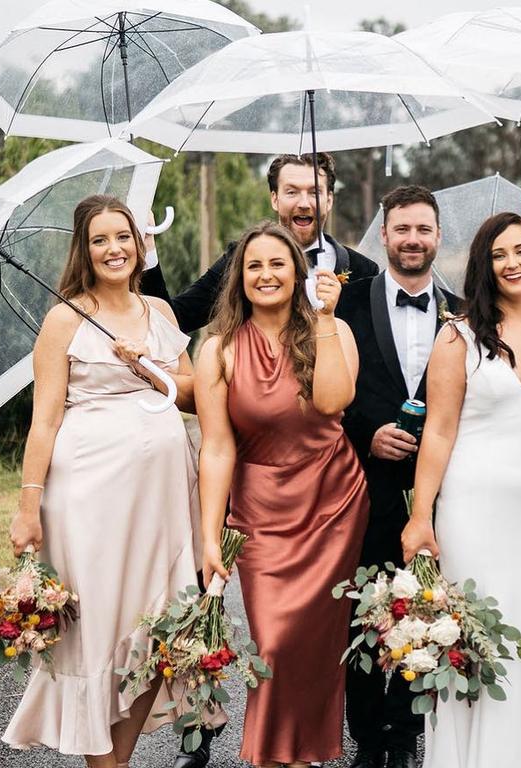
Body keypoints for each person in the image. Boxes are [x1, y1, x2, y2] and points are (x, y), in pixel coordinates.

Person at [4, 195, 199, 767]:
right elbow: (44, 421)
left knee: (152, 631)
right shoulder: (64, 318)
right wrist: (27, 506)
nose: (114, 249)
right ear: (84, 252)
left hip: (161, 502)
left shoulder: (161, 313)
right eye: (100, 240)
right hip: (89, 501)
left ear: (140, 244)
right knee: (100, 631)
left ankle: (120, 759)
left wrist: (148, 365)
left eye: (123, 237)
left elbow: (191, 394)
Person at [401, 212, 521, 768]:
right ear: (484, 265)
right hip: (473, 507)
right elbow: (438, 430)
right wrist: (421, 517)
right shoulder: (457, 337)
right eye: (499, 254)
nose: (513, 262)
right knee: (476, 628)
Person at [194, 221, 368, 768]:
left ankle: (306, 756)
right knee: (272, 644)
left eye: (277, 264)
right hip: (261, 512)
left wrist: (325, 318)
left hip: (333, 503)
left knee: (313, 649)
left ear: (299, 272)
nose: (266, 275)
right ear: (238, 279)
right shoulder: (217, 349)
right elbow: (217, 449)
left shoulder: (332, 329)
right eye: (254, 266)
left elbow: (336, 400)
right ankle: (273, 756)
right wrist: (208, 537)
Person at [336, 185, 462, 768]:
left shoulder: (463, 312)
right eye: (402, 229)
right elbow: (328, 386)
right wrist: (367, 431)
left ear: (438, 237)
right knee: (367, 611)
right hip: (364, 484)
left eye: (424, 229)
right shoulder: (346, 304)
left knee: (428, 608)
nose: (413, 239)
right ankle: (365, 737)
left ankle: (408, 734)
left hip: (443, 488)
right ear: (382, 235)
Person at [140, 152, 379, 332]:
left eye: (314, 192)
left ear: (329, 200)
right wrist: (148, 250)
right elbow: (177, 319)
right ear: (275, 199)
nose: (304, 203)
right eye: (292, 192)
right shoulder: (241, 260)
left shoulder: (364, 271)